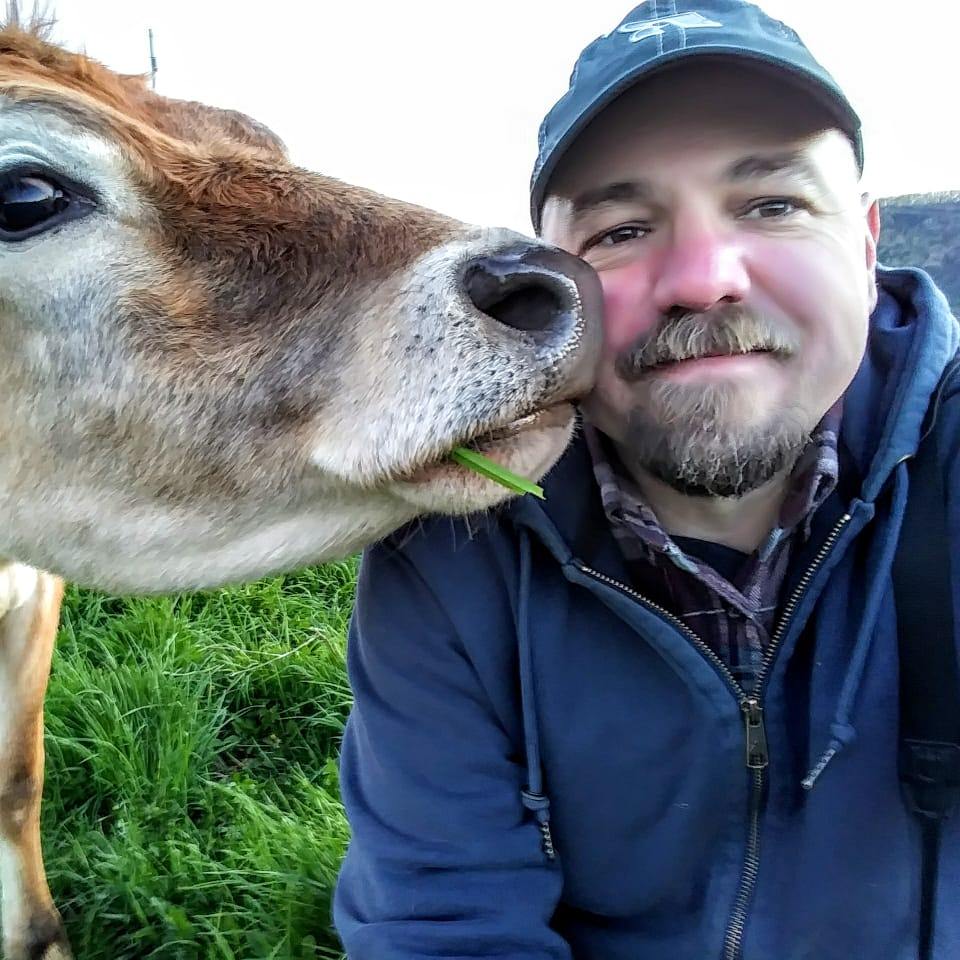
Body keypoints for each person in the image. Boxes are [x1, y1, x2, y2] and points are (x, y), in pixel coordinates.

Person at [333, 2, 960, 957]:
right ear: (553, 287)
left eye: (773, 206)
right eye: (622, 231)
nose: (704, 278)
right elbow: (443, 927)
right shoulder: (453, 551)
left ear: (869, 248)